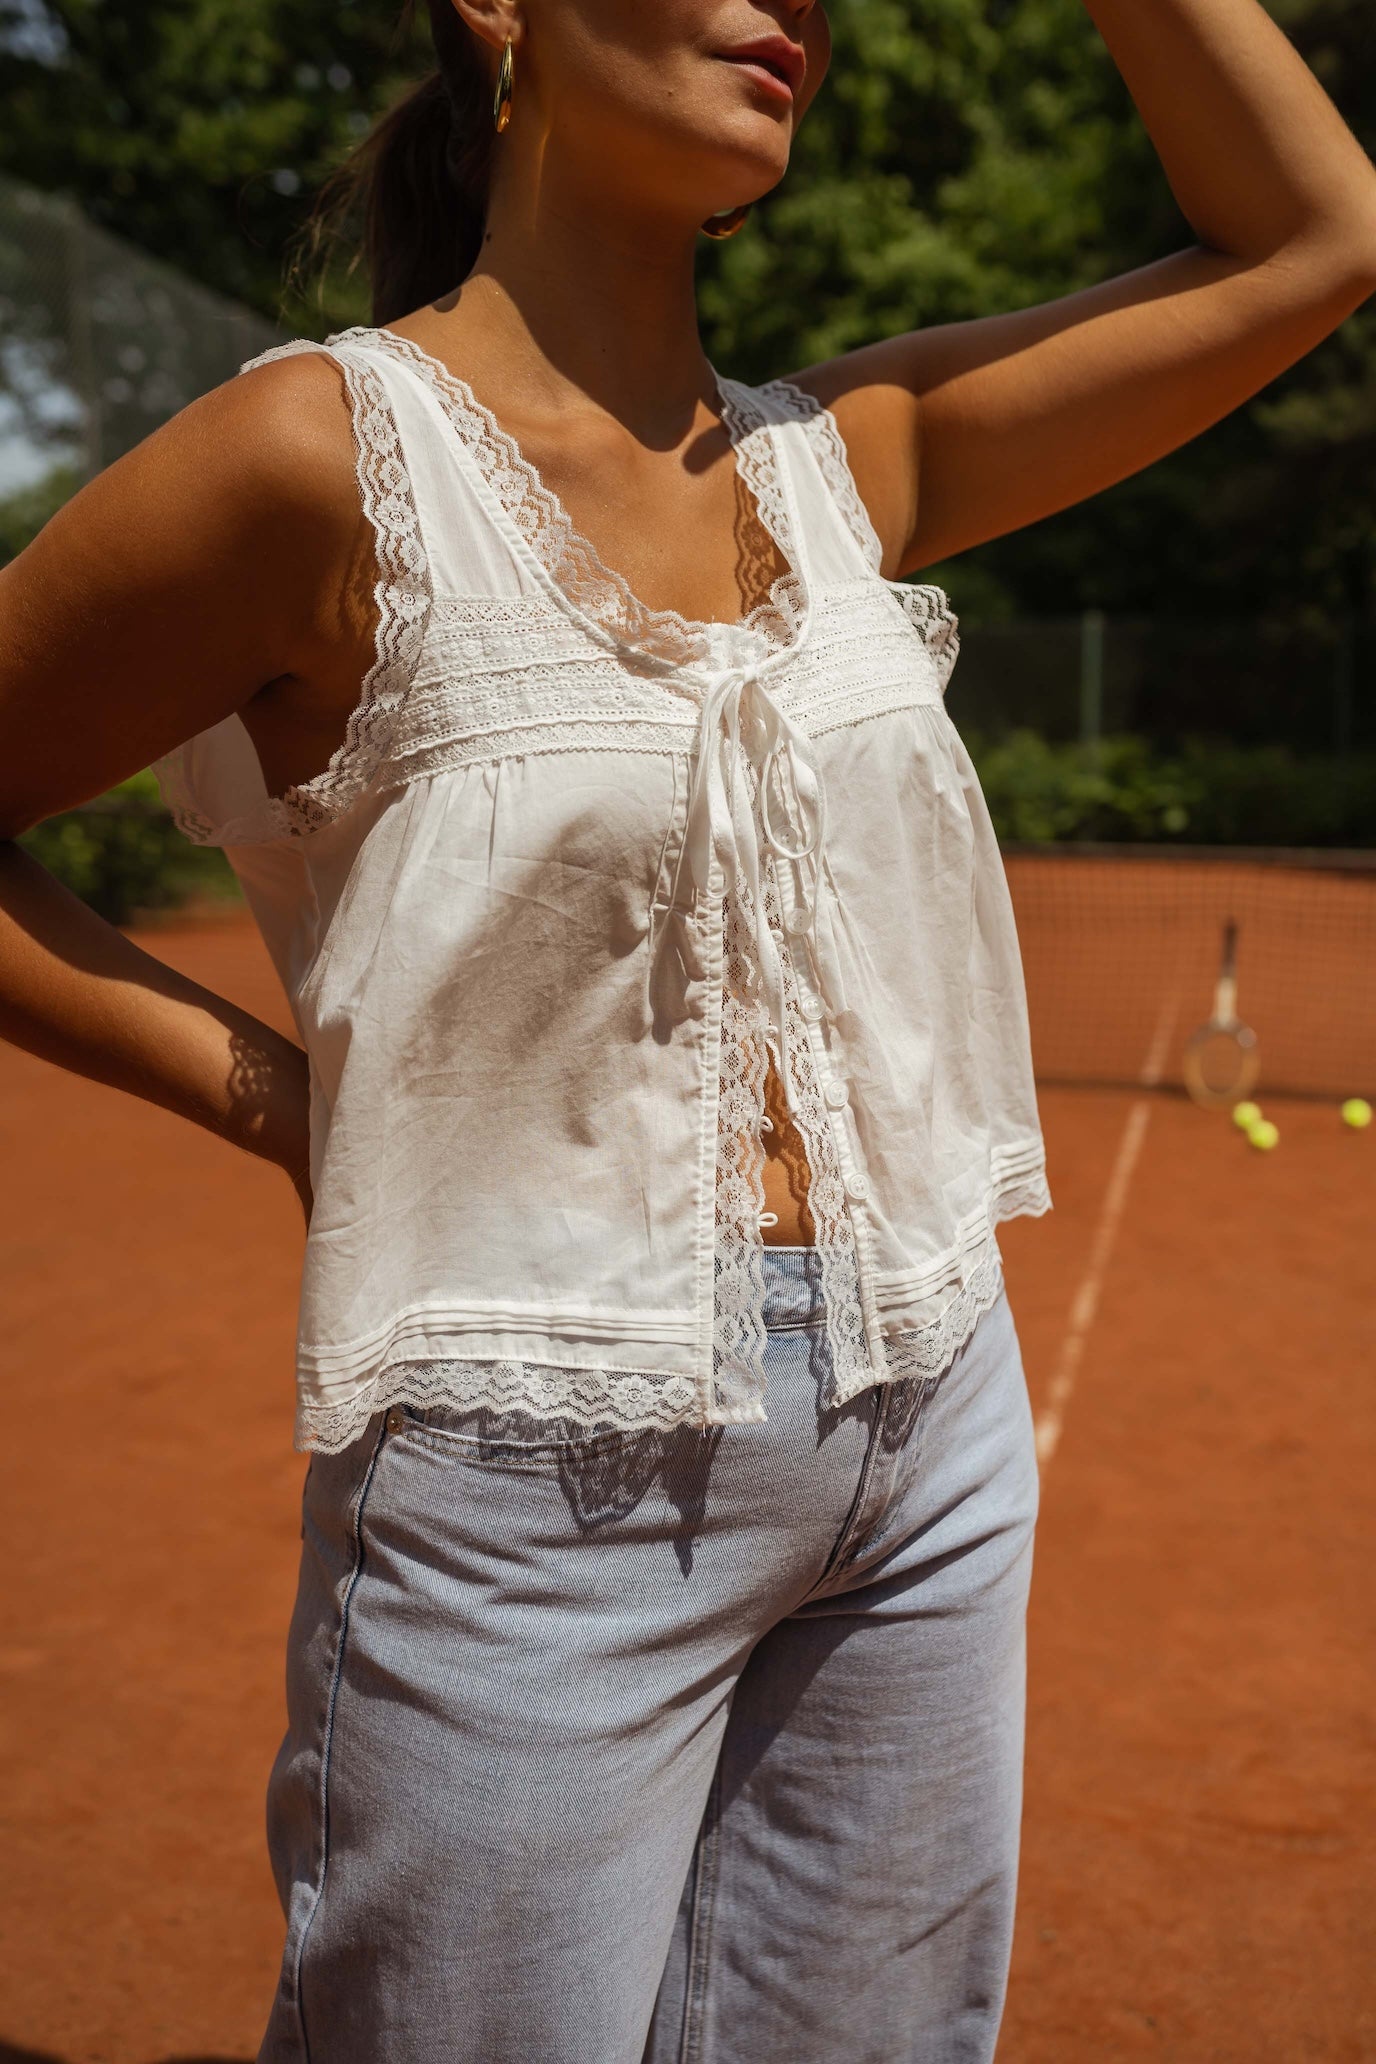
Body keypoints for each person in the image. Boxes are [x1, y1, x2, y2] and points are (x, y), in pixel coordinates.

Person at [1, 1, 1373, 2057]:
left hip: (928, 1426)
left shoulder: (846, 465)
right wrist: (274, 1094)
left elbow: (1314, 240)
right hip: (529, 1472)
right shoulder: (319, 457)